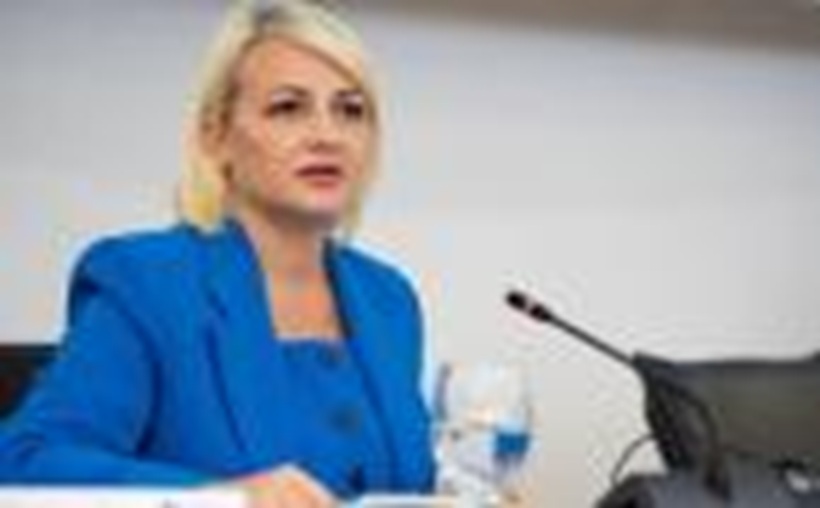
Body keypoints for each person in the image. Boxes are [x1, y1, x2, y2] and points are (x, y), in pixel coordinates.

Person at [0, 2, 435, 506]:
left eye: (351, 111)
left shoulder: (388, 298)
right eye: (288, 108)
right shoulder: (148, 283)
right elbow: (26, 459)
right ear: (216, 137)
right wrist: (219, 497)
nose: (327, 136)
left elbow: (408, 482)